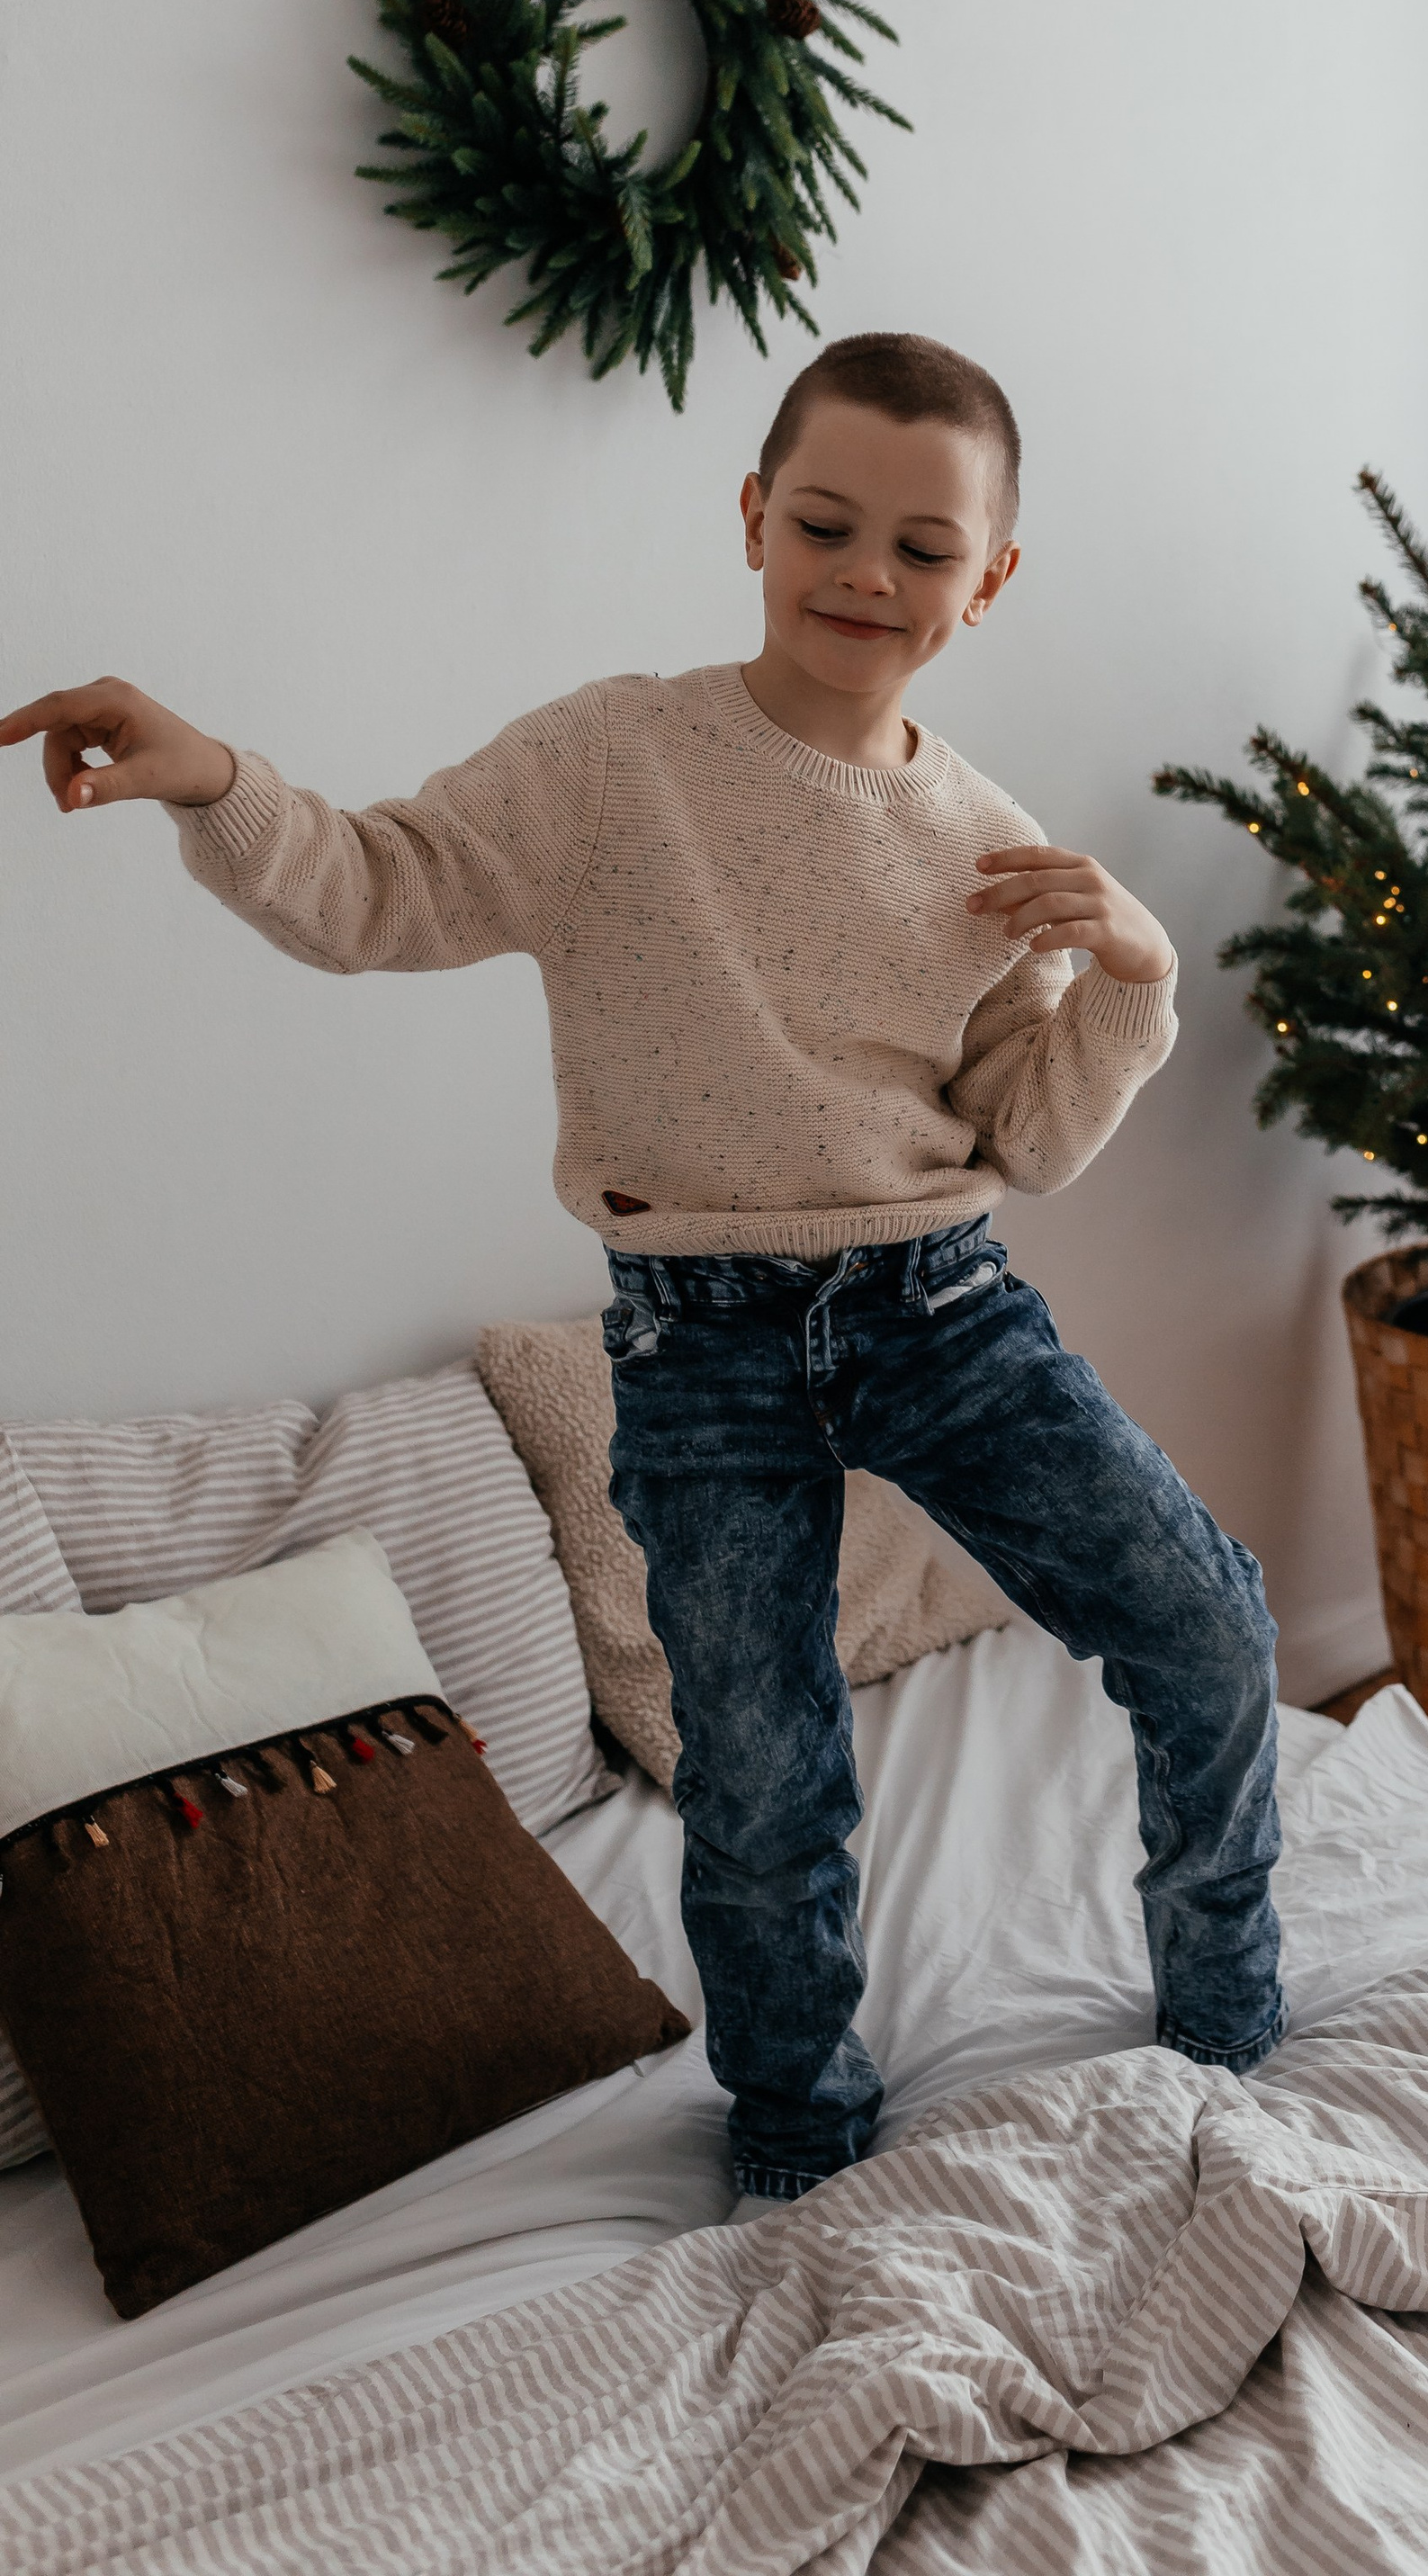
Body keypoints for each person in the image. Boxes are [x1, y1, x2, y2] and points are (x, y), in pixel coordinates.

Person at [0, 331, 1285, 2203]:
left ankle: (1224, 2031)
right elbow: (383, 885)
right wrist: (217, 781)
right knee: (760, 1778)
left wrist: (1137, 980)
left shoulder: (989, 847)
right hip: (699, 1344)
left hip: (941, 1306)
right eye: (827, 524)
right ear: (754, 517)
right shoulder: (616, 761)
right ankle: (799, 2131)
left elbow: (1025, 1139)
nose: (867, 575)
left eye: (924, 551)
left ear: (986, 582)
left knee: (1207, 1625)